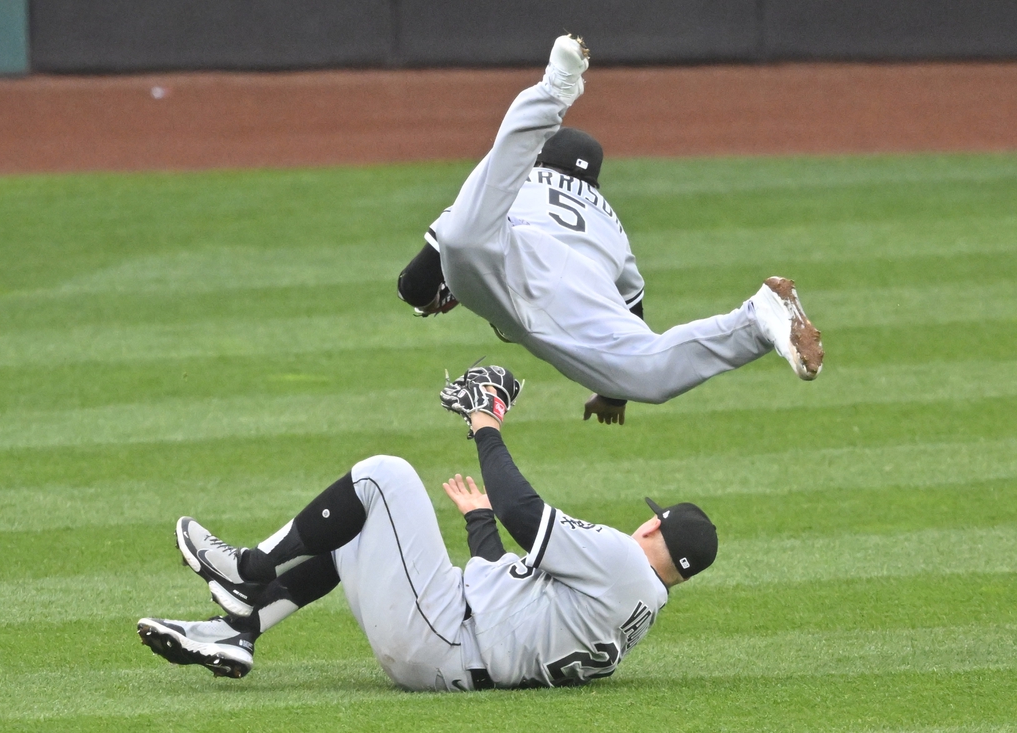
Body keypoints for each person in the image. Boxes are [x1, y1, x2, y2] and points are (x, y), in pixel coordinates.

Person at [137, 365, 718, 690]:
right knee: (352, 532)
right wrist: (479, 523)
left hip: (440, 636)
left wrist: (485, 423)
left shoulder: (622, 561)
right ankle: (239, 629)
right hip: (451, 653)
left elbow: (528, 516)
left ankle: (246, 570)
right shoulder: (639, 607)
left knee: (382, 477)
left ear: (652, 529)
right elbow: (512, 586)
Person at [396, 35, 824, 426]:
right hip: (582, 292)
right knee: (652, 372)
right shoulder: (611, 224)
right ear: (593, 183)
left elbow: (414, 285)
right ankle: (757, 319)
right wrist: (613, 394)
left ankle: (551, 93)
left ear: (542, 161)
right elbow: (629, 319)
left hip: (515, 252)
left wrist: (445, 287)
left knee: (463, 235)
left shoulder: (522, 181)